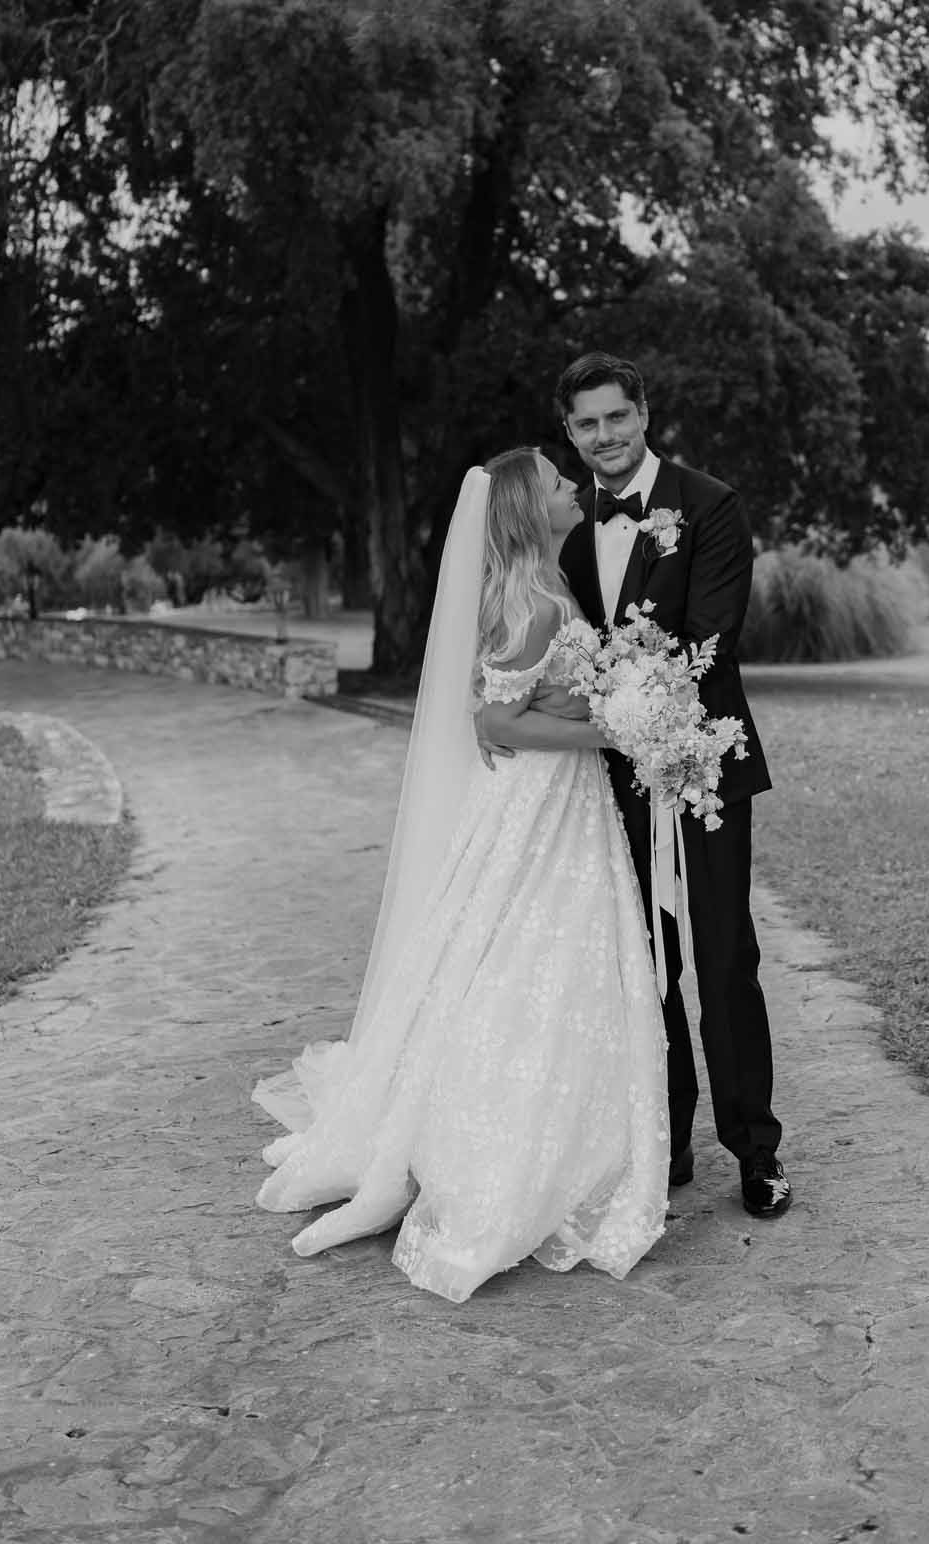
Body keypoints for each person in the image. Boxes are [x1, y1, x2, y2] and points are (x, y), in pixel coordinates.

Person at [253, 449, 669, 1303]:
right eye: (557, 481)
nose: (572, 485)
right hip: (545, 804)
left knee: (516, 957)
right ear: (528, 509)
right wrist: (613, 732)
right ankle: (489, 1151)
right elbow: (497, 721)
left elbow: (517, 705)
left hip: (552, 801)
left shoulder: (539, 590)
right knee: (528, 962)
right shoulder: (538, 604)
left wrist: (582, 706)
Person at [555, 351, 791, 1219]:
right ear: (569, 433)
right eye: (586, 424)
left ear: (644, 414)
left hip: (702, 770)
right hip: (612, 782)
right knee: (642, 964)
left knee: (725, 958)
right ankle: (667, 1140)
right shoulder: (569, 528)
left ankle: (756, 1154)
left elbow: (710, 640)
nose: (605, 437)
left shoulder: (710, 505)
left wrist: (628, 698)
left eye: (617, 417)